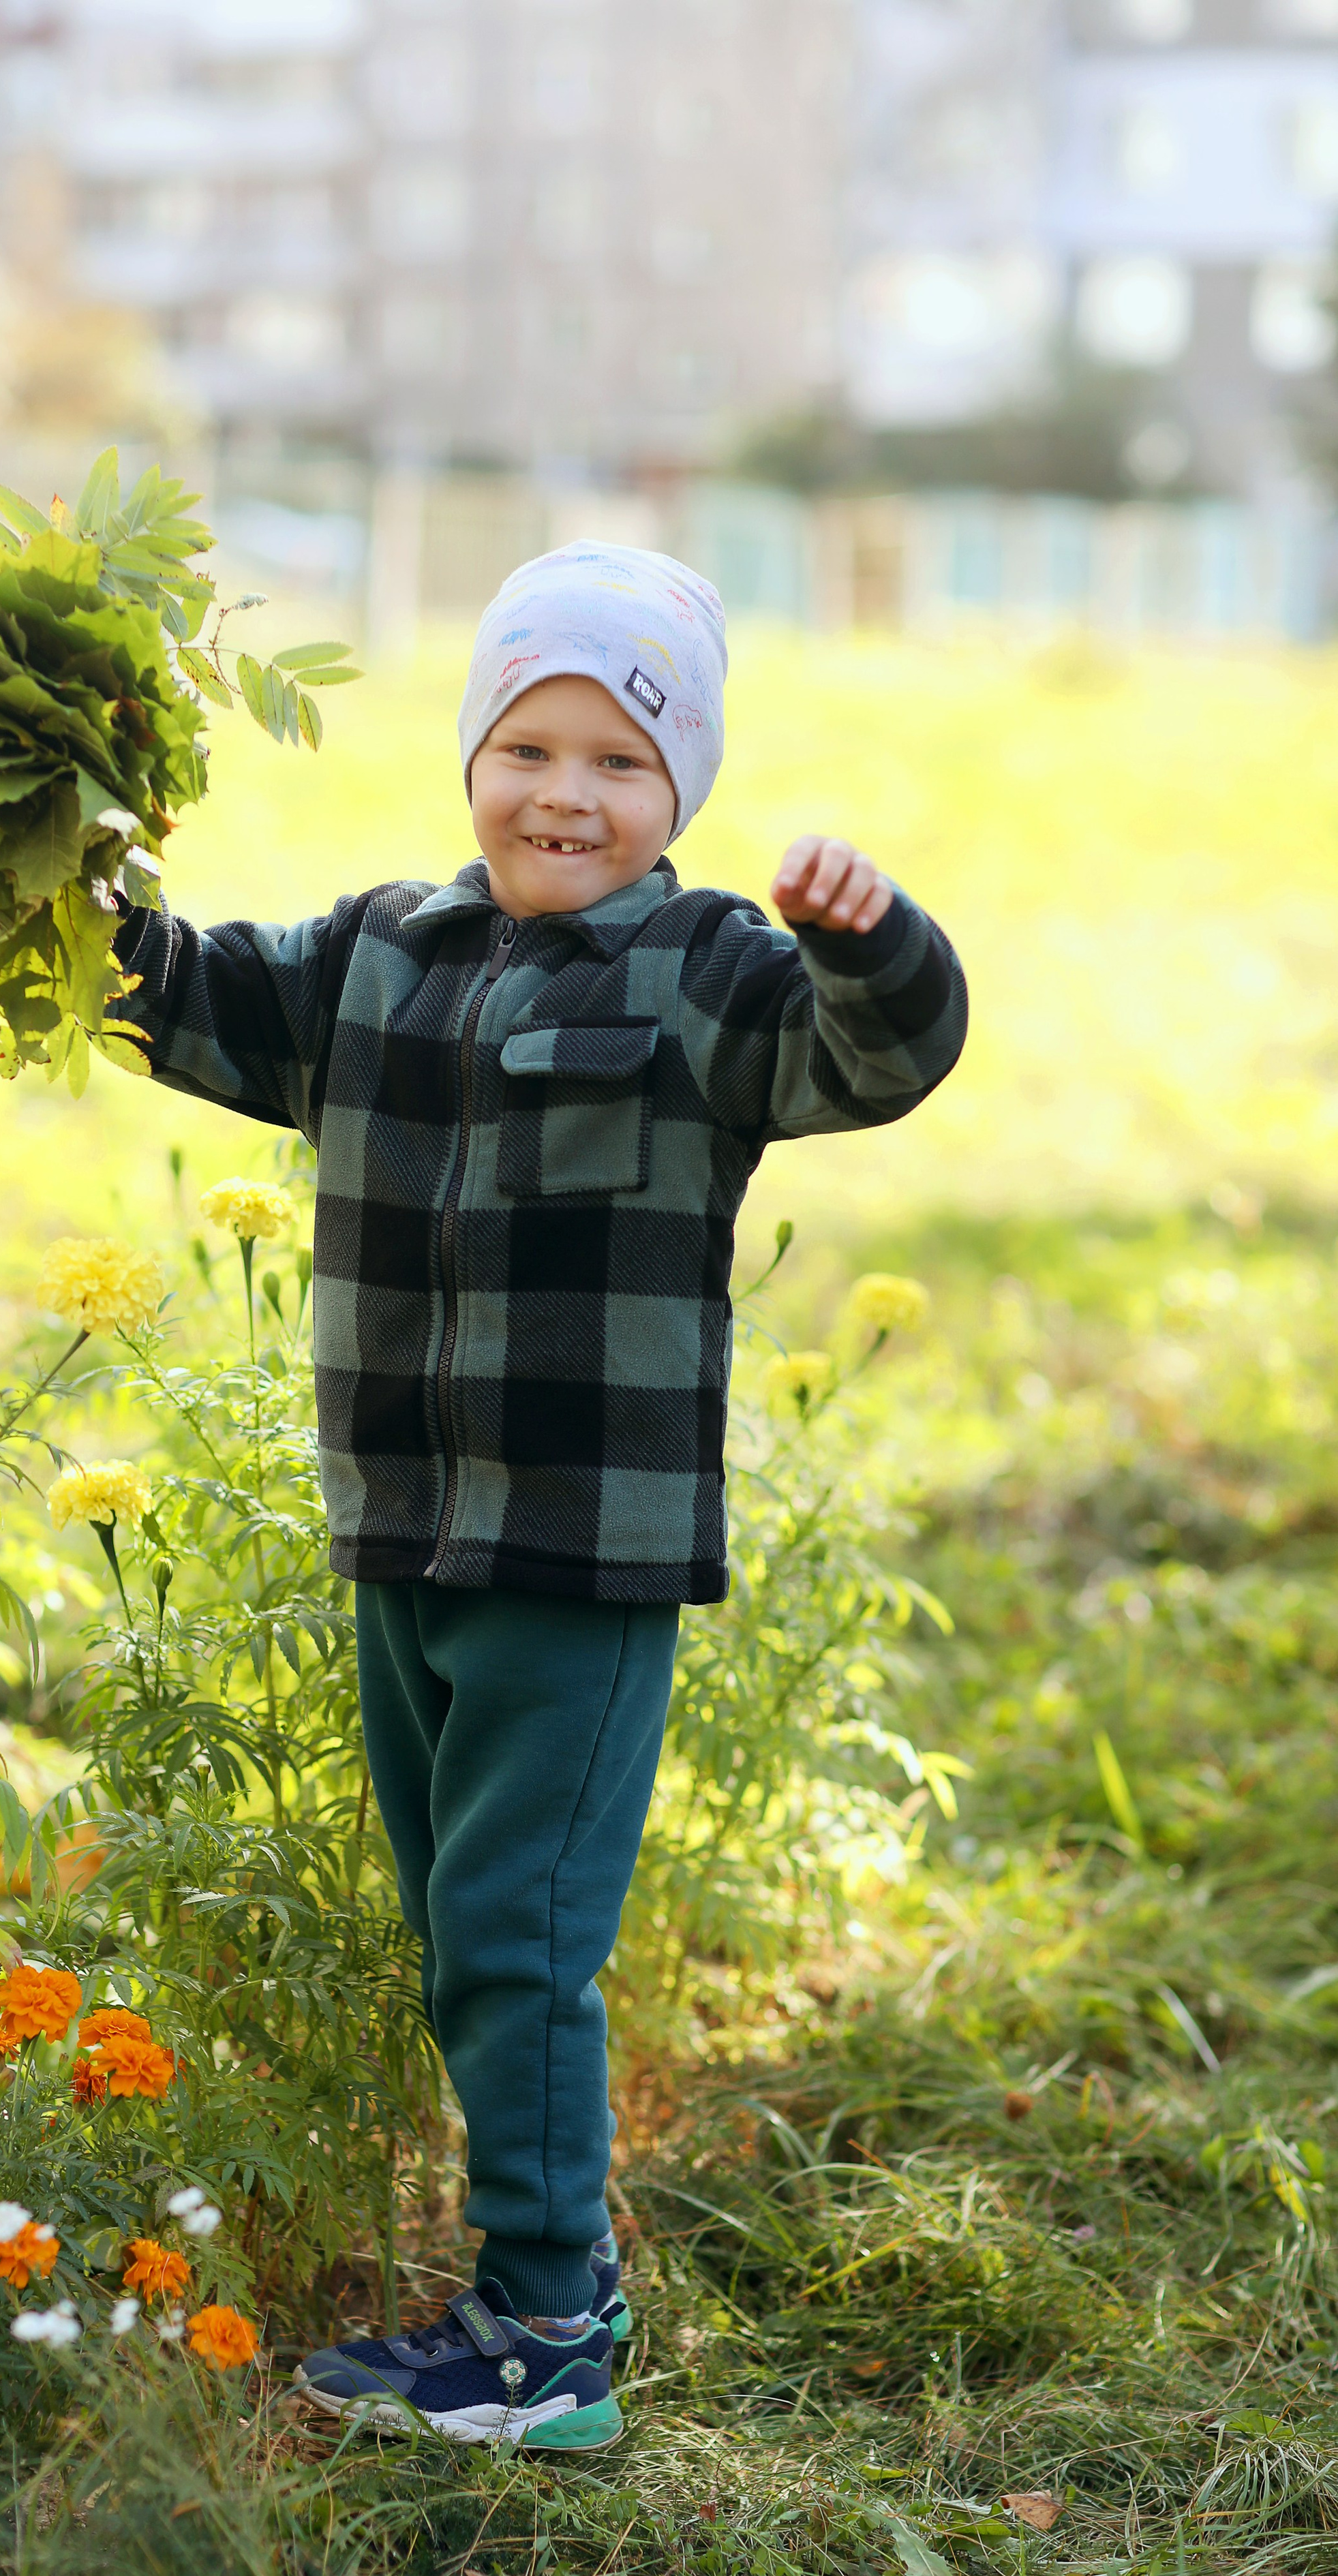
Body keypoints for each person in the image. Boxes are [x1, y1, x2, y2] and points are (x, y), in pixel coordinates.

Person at [111, 539, 967, 2451]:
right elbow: (179, 998)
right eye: (530, 744)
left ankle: (546, 2336)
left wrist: (867, 933)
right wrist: (53, 863)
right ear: (474, 752)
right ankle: (544, 2277)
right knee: (458, 1929)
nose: (566, 793)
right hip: (401, 1532)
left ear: (680, 801)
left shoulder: (713, 973)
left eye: (621, 764)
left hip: (576, 1559)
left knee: (518, 1935)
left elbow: (886, 1056)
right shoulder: (374, 954)